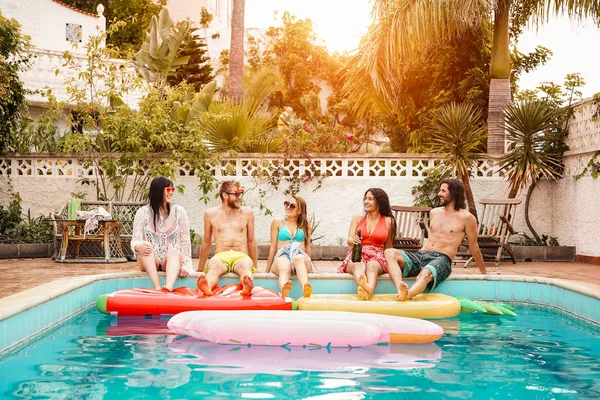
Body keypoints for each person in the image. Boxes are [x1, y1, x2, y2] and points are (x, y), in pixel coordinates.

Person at [384, 179, 490, 301]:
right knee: (389, 252)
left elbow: (474, 246)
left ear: (454, 193)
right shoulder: (434, 212)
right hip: (422, 255)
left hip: (442, 259)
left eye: (443, 191)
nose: (439, 193)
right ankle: (400, 289)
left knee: (425, 274)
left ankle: (407, 295)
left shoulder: (467, 218)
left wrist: (484, 272)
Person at [196, 180, 258, 296]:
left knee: (245, 267)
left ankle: (247, 287)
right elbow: (206, 241)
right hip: (220, 256)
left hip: (241, 255)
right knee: (214, 268)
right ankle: (207, 287)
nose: (239, 197)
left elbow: (251, 241)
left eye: (241, 194)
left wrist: (255, 266)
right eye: (237, 194)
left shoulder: (247, 213)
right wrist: (200, 268)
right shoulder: (210, 214)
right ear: (225, 195)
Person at [131, 176, 193, 291]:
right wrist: (137, 246)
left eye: (172, 190)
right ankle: (157, 287)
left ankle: (168, 287)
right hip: (149, 259)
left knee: (174, 250)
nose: (171, 193)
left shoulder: (179, 211)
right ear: (158, 191)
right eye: (168, 190)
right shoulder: (142, 212)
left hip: (169, 260)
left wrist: (186, 266)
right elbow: (135, 240)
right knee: (146, 245)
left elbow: (185, 241)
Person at [338, 188, 396, 300]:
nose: (366, 201)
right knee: (357, 264)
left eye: (370, 199)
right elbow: (349, 240)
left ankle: (367, 289)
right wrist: (353, 240)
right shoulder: (357, 219)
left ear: (379, 202)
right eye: (365, 199)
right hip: (358, 253)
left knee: (372, 266)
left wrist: (391, 263)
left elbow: (388, 247)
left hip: (377, 256)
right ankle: (367, 288)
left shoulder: (389, 221)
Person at [265, 195, 316, 298]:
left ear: (300, 211)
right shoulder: (277, 223)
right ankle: (284, 288)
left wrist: (312, 266)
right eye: (286, 204)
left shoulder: (306, 224)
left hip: (299, 255)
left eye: (292, 206)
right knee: (284, 267)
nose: (288, 207)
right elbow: (273, 247)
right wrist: (266, 270)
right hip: (282, 255)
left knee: (299, 259)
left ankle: (305, 288)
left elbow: (307, 247)